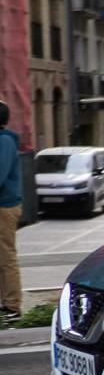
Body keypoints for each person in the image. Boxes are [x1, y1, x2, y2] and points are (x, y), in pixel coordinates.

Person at [0, 100, 22, 323]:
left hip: (5, 207)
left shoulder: (4, 141)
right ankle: (5, 302)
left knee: (6, 257)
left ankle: (13, 306)